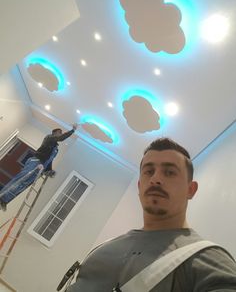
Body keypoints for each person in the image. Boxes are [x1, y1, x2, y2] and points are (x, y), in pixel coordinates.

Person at [67, 137, 236, 292]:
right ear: (140, 186)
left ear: (190, 190)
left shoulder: (207, 261)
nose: (155, 179)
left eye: (169, 172)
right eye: (149, 171)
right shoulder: (101, 249)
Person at [0, 123, 78, 211]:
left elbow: (49, 160)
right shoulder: (49, 137)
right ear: (54, 133)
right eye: (59, 132)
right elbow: (60, 138)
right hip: (36, 161)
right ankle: (2, 196)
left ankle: (5, 200)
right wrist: (72, 130)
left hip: (40, 166)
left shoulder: (56, 148)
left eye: (61, 133)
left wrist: (49, 170)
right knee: (21, 179)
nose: (61, 134)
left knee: (24, 185)